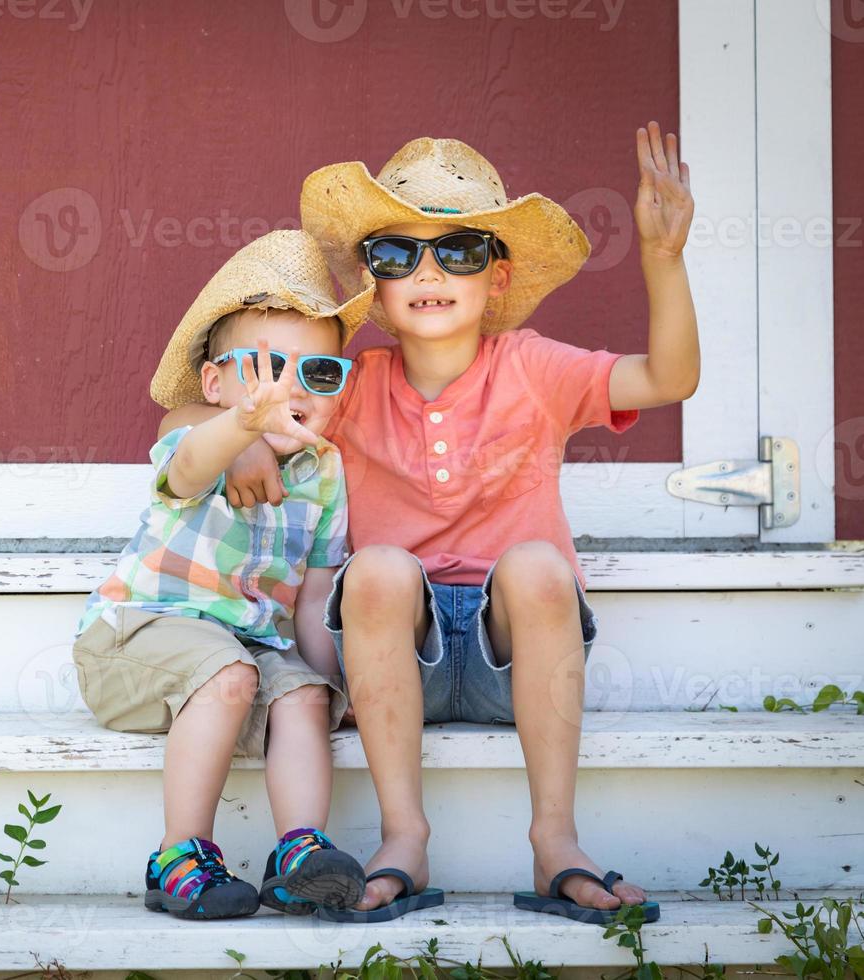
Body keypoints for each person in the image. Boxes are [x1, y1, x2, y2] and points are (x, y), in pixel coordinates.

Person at [161, 125, 697, 924]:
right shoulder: (348, 383)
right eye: (396, 256)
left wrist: (663, 257)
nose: (428, 272)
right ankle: (403, 836)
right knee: (375, 565)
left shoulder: (534, 367)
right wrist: (236, 438)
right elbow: (183, 408)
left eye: (460, 252)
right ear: (372, 286)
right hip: (388, 650)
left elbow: (669, 377)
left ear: (498, 273)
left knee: (538, 566)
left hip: (511, 656)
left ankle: (556, 840)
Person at [71, 230, 373, 920]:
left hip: (242, 653)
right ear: (215, 384)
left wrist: (338, 681)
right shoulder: (198, 442)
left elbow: (318, 592)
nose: (289, 389)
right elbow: (189, 465)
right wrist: (238, 433)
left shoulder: (323, 471)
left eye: (319, 373)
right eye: (266, 368)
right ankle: (179, 853)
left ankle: (300, 852)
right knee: (229, 672)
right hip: (135, 641)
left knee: (301, 695)